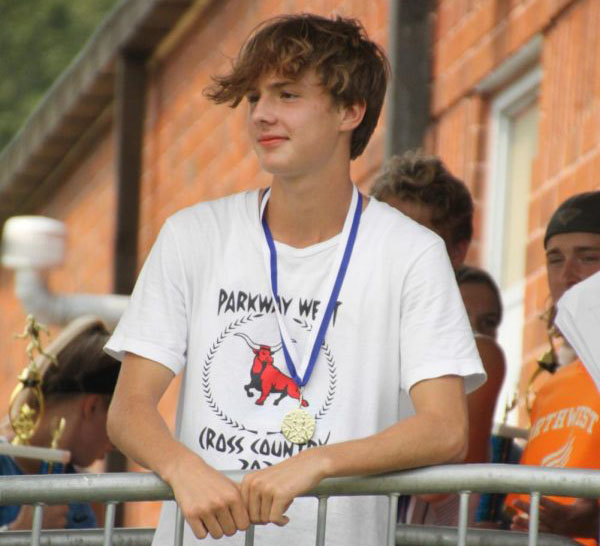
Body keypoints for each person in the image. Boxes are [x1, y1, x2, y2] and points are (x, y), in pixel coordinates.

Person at [105, 13, 485, 546]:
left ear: (350, 111)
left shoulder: (412, 252)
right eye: (254, 97)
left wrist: (319, 463)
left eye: (286, 95)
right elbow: (127, 411)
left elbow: (445, 429)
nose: (261, 114)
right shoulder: (193, 234)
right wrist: (180, 467)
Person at [371, 151, 506, 526]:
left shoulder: (477, 351)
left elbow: (439, 479)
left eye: (415, 240)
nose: (395, 254)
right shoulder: (344, 326)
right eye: (383, 235)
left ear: (457, 252)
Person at [504, 191, 600, 545]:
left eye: (588, 257)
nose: (568, 275)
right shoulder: (548, 386)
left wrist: (592, 525)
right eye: (554, 260)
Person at [0, 315, 120, 531]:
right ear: (91, 407)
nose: (118, 443)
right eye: (118, 423)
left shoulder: (91, 497)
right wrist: (18, 533)